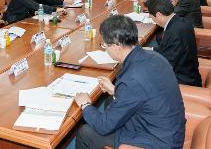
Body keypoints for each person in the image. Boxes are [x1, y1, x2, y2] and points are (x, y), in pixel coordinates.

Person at [74, 15, 185, 149]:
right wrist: (116, 90)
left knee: (85, 132)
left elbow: (104, 126)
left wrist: (85, 104)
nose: (105, 48)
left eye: (104, 45)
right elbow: (145, 91)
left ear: (116, 46)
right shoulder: (155, 57)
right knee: (110, 101)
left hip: (159, 141)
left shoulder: (132, 80)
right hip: (169, 128)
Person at [144, 0, 202, 87]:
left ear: (159, 15)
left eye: (151, 17)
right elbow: (169, 50)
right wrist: (149, 50)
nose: (152, 19)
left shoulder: (174, 32)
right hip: (184, 69)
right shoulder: (180, 22)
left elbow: (167, 65)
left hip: (182, 80)